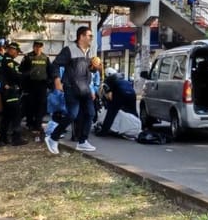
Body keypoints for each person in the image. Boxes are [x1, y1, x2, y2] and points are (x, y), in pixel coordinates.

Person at [45, 26, 97, 154]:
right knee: (72, 115)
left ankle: (82, 141)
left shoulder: (89, 52)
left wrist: (92, 81)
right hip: (71, 88)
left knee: (90, 113)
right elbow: (55, 64)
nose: (91, 38)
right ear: (81, 36)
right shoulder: (69, 50)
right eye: (90, 35)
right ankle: (53, 138)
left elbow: (87, 72)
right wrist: (57, 80)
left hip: (85, 89)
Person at [0, 42, 27, 146]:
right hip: (11, 92)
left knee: (6, 117)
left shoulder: (1, 61)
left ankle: (3, 139)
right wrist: (25, 74)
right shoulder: (9, 62)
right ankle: (16, 139)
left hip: (5, 93)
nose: (17, 54)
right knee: (16, 116)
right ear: (12, 50)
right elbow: (16, 76)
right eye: (17, 51)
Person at [20, 41, 51, 136]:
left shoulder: (45, 58)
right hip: (30, 85)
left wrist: (49, 83)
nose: (38, 49)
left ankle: (38, 124)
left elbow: (49, 70)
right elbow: (22, 70)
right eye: (36, 47)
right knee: (30, 104)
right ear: (33, 47)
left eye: (40, 47)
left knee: (41, 105)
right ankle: (30, 123)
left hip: (42, 85)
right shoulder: (28, 57)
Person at [97, 67, 138, 136]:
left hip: (120, 93)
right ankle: (140, 128)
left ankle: (103, 132)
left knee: (111, 113)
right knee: (133, 110)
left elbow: (108, 95)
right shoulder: (121, 76)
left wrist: (109, 103)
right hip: (132, 93)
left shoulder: (108, 80)